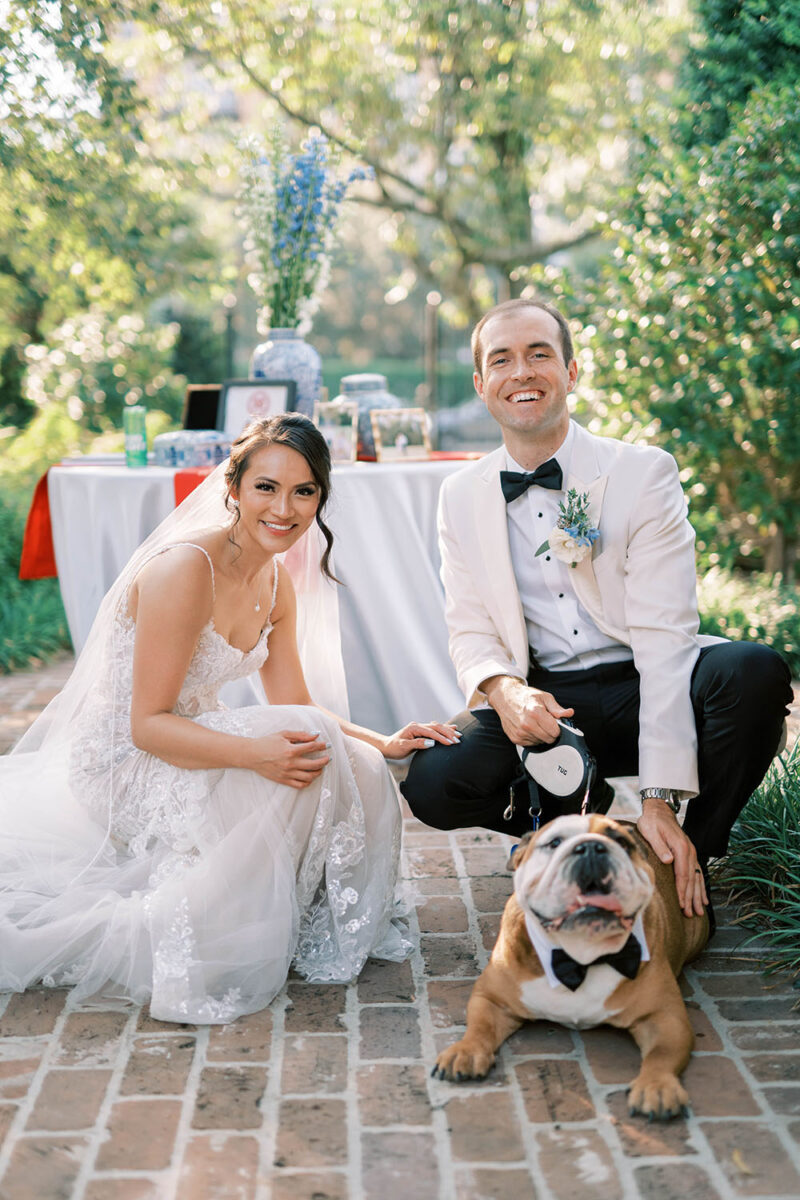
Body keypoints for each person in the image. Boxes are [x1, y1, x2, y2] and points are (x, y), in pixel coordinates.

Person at [0, 414, 457, 1023]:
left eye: (304, 491)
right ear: (233, 488)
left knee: (361, 762)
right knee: (298, 747)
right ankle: (222, 923)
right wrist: (257, 753)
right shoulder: (186, 569)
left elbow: (295, 696)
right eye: (266, 486)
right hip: (127, 760)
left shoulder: (275, 582)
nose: (284, 508)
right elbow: (147, 725)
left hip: (190, 737)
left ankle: (328, 920)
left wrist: (384, 741)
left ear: (321, 497)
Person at [401, 298, 792, 920]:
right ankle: (569, 825)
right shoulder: (459, 494)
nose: (521, 372)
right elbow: (470, 628)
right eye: (501, 360)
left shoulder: (642, 472)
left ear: (572, 372)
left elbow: (666, 639)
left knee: (752, 673)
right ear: (482, 385)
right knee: (432, 781)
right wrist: (505, 692)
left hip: (645, 677)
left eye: (539, 355)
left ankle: (686, 848)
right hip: (553, 699)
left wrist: (660, 798)